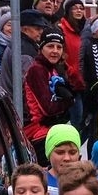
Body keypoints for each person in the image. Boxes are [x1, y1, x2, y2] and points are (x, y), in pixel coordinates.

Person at [24, 29, 74, 164]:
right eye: (50, 46)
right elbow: (49, 109)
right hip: (35, 130)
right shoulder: (37, 69)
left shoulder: (52, 68)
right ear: (41, 49)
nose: (55, 51)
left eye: (59, 47)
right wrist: (67, 102)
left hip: (47, 128)